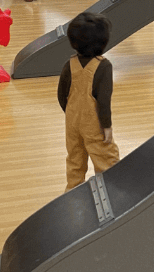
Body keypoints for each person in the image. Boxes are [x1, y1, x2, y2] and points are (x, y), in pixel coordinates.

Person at [57, 12, 120, 191]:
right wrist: (106, 126)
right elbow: (103, 100)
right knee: (106, 158)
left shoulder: (69, 64)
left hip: (72, 121)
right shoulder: (104, 66)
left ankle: (71, 193)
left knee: (75, 160)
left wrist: (72, 113)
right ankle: (112, 192)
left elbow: (61, 95)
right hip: (94, 124)